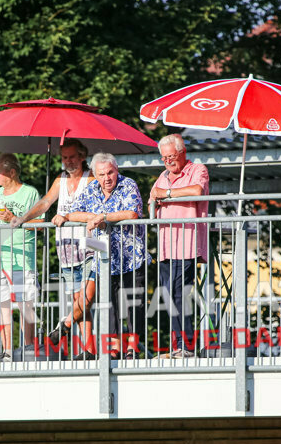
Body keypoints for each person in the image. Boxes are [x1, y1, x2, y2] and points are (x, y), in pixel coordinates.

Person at [55, 152, 148, 358]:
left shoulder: (128, 185)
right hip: (104, 258)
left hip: (130, 257)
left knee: (134, 305)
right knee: (109, 307)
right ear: (95, 175)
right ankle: (114, 349)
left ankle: (132, 348)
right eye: (102, 174)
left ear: (117, 171)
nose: (107, 178)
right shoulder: (91, 189)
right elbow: (73, 214)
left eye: (110, 173)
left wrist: (103, 217)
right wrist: (95, 218)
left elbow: (132, 213)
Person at [14, 138, 95, 357]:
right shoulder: (60, 179)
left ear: (82, 156)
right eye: (64, 158)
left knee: (86, 297)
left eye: (72, 157)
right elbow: (45, 202)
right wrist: (23, 218)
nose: (68, 162)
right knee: (78, 301)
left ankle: (64, 326)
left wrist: (68, 217)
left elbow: (97, 210)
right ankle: (87, 349)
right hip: (66, 249)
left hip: (89, 245)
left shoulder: (91, 179)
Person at [148, 133, 209, 358]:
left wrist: (167, 195)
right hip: (165, 246)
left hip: (187, 243)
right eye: (164, 158)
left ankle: (187, 346)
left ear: (182, 153)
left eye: (171, 156)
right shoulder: (162, 176)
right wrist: (156, 201)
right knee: (166, 295)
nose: (168, 162)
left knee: (178, 295)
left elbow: (197, 191)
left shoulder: (197, 170)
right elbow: (152, 204)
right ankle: (178, 345)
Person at [0, 153, 40, 362]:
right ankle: (7, 351)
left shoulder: (30, 193)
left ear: (12, 172)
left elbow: (41, 223)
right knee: (3, 305)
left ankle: (27, 349)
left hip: (20, 256)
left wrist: (14, 219)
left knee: (25, 304)